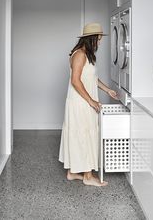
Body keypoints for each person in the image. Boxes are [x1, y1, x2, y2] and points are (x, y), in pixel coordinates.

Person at [59, 22, 119, 187]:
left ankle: (72, 172)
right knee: (85, 136)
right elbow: (76, 81)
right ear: (91, 39)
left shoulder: (87, 54)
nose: (99, 43)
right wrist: (91, 101)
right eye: (98, 39)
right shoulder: (80, 55)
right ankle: (87, 176)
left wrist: (107, 90)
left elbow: (91, 78)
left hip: (83, 101)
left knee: (81, 135)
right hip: (81, 103)